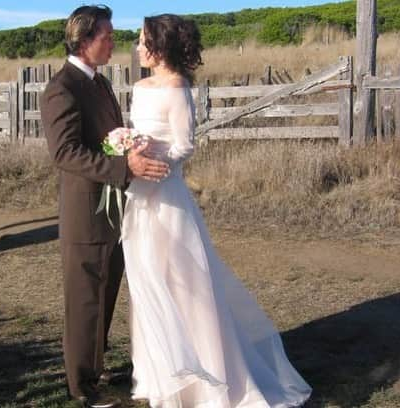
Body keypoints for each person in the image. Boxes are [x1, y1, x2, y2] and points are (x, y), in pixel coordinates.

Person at [122, 14, 313, 407]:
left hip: (167, 197)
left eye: (142, 41)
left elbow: (184, 144)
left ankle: (206, 379)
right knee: (147, 281)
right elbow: (134, 130)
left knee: (184, 285)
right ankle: (161, 373)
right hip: (138, 197)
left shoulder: (178, 88)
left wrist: (158, 163)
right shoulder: (139, 86)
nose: (137, 47)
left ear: (160, 45)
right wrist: (127, 150)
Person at [39, 5, 170, 408]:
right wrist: (123, 165)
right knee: (84, 302)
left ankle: (93, 370)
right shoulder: (62, 88)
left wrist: (130, 144)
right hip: (86, 215)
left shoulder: (100, 84)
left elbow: (108, 136)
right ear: (83, 41)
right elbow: (65, 153)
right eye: (107, 36)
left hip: (114, 212)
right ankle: (81, 387)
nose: (114, 42)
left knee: (105, 295)